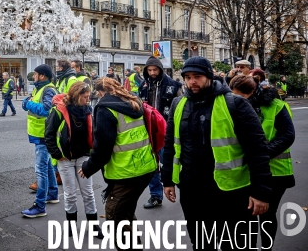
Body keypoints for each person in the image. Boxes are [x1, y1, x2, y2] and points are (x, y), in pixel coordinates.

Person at [162, 57, 272, 250]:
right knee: (202, 243)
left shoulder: (236, 104)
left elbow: (258, 150)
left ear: (210, 77)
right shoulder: (178, 104)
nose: (191, 82)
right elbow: (170, 145)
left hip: (230, 193)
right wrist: (168, 181)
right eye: (187, 77)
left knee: (238, 245)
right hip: (192, 191)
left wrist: (260, 192)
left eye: (197, 76)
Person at [79, 77, 156, 246]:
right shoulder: (134, 102)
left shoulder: (106, 109)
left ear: (100, 93)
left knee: (116, 216)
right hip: (146, 167)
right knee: (126, 212)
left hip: (126, 172)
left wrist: (88, 167)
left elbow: (103, 147)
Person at [230, 75, 295, 250]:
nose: (236, 100)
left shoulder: (276, 106)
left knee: (267, 215)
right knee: (248, 215)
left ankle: (267, 247)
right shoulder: (236, 107)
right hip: (247, 172)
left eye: (240, 97)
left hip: (275, 172)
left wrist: (261, 154)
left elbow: (287, 136)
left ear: (252, 92)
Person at [45, 82, 100, 237]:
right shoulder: (58, 111)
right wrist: (57, 154)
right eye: (85, 97)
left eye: (89, 97)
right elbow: (48, 134)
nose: (88, 100)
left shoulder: (88, 110)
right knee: (70, 194)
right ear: (76, 95)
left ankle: (94, 226)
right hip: (66, 159)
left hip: (83, 157)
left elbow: (93, 131)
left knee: (88, 193)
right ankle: (71, 227)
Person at [138, 55, 182, 209]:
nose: (152, 73)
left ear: (160, 69)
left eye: (155, 69)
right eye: (149, 70)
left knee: (168, 161)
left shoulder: (173, 85)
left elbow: (180, 105)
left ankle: (176, 187)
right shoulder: (143, 85)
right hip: (149, 129)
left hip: (167, 129)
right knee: (152, 164)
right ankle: (155, 195)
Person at [21, 64, 59, 217]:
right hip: (40, 133)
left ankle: (40, 205)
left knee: (41, 169)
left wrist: (27, 103)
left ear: (42, 76)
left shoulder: (48, 89)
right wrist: (27, 102)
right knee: (47, 164)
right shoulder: (40, 88)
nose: (33, 76)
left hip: (44, 134)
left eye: (35, 74)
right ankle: (53, 193)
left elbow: (46, 109)